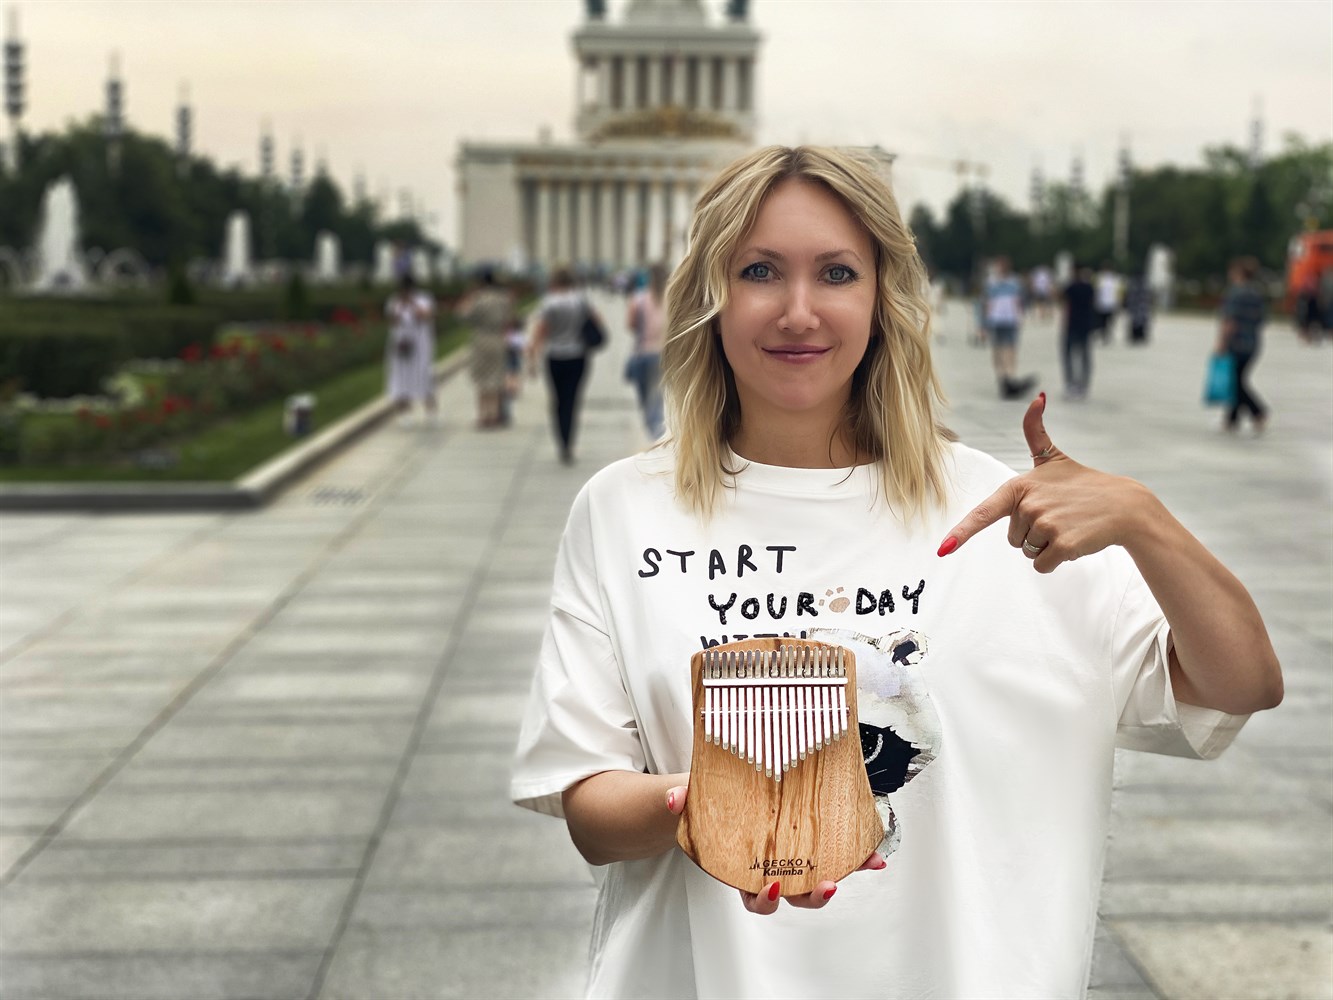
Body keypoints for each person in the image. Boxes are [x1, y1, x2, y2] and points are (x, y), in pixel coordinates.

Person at [510, 146, 1281, 999]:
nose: (797, 311)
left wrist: (1146, 522)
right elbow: (586, 801)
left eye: (836, 273)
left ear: (881, 299)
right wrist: (717, 806)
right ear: (708, 299)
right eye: (758, 270)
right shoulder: (624, 510)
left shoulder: (998, 512)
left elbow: (1235, 684)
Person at [528, 267, 603, 464]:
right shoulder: (580, 300)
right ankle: (570, 442)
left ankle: (562, 441)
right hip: (578, 355)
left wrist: (532, 357)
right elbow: (598, 322)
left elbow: (540, 331)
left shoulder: (549, 302)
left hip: (555, 356)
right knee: (572, 399)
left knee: (557, 400)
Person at [456, 266, 514, 429]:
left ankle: (483, 415)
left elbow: (462, 316)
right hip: (498, 338)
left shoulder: (478, 298)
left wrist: (467, 298)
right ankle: (494, 415)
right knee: (496, 378)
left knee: (481, 379)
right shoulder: (504, 298)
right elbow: (510, 320)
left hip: (480, 338)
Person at [1216, 256, 1269, 433]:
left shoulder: (1235, 293)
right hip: (1253, 343)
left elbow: (1230, 320)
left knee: (1235, 381)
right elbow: (1262, 319)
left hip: (1236, 343)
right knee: (1237, 379)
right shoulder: (1256, 293)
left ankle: (1258, 411)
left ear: (1239, 273)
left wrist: (1221, 342)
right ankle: (1232, 419)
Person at [383, 273, 438, 423]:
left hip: (420, 344)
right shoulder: (394, 301)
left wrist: (412, 303)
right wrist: (400, 306)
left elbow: (425, 316)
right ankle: (404, 412)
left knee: (424, 375)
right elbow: (392, 321)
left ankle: (431, 411)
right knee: (400, 376)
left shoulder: (424, 299)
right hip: (401, 344)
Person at [624, 262, 667, 440]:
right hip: (665, 355)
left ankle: (655, 433)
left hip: (644, 354)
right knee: (657, 398)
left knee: (645, 400)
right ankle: (657, 432)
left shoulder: (639, 299)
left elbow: (631, 325)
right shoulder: (673, 298)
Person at [983, 256, 1037, 399]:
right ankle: (1004, 376)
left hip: (1009, 319)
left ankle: (1008, 375)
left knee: (1008, 348)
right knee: (1000, 349)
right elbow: (988, 302)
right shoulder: (994, 282)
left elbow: (1019, 301)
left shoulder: (1013, 282)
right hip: (998, 319)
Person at [1061, 263, 1097, 399]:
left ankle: (1071, 383)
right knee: (1085, 356)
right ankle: (1083, 384)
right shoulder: (1089, 288)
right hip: (1085, 325)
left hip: (1072, 324)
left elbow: (1062, 300)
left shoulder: (1070, 287)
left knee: (1069, 355)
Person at [1094, 262, 1122, 344]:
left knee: (1106, 321)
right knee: (1106, 321)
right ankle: (1105, 334)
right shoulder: (1112, 279)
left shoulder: (1102, 278)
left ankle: (1105, 334)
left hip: (1107, 303)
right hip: (1106, 303)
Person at [1124, 273, 1154, 344]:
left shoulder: (1136, 288)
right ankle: (1137, 336)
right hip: (1139, 309)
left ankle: (1138, 336)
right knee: (1137, 323)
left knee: (1139, 323)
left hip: (1139, 309)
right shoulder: (1142, 288)